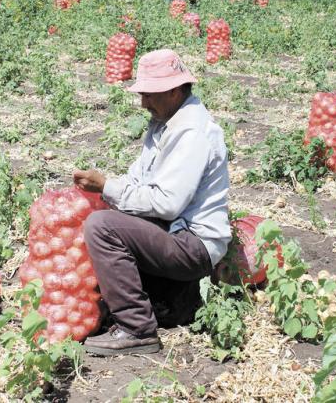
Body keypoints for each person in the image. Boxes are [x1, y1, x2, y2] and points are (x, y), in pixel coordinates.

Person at [73, 49, 231, 356]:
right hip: (173, 232)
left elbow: (167, 204)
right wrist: (109, 191)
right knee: (111, 215)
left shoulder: (192, 132)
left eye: (149, 95)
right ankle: (171, 300)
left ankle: (137, 329)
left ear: (174, 91)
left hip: (193, 244)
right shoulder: (164, 121)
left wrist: (106, 186)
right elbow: (138, 180)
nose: (144, 103)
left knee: (102, 226)